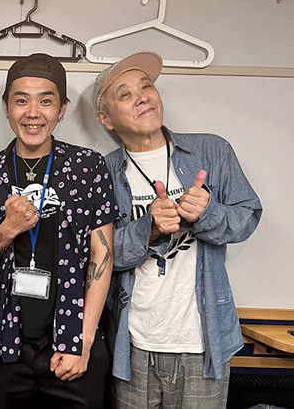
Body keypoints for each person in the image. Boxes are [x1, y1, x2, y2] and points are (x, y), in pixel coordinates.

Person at [93, 51, 263, 408]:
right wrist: (149, 230)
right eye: (125, 94)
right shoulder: (102, 171)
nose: (142, 97)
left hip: (204, 343)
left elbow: (247, 217)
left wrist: (207, 213)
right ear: (105, 118)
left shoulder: (212, 151)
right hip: (132, 345)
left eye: (147, 86)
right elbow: (98, 257)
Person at [0, 53, 119, 409]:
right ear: (6, 107)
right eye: (21, 100)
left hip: (73, 340)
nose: (33, 113)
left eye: (46, 101)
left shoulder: (88, 167)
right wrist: (7, 229)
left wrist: (82, 341)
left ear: (61, 109)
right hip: (5, 342)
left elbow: (102, 255)